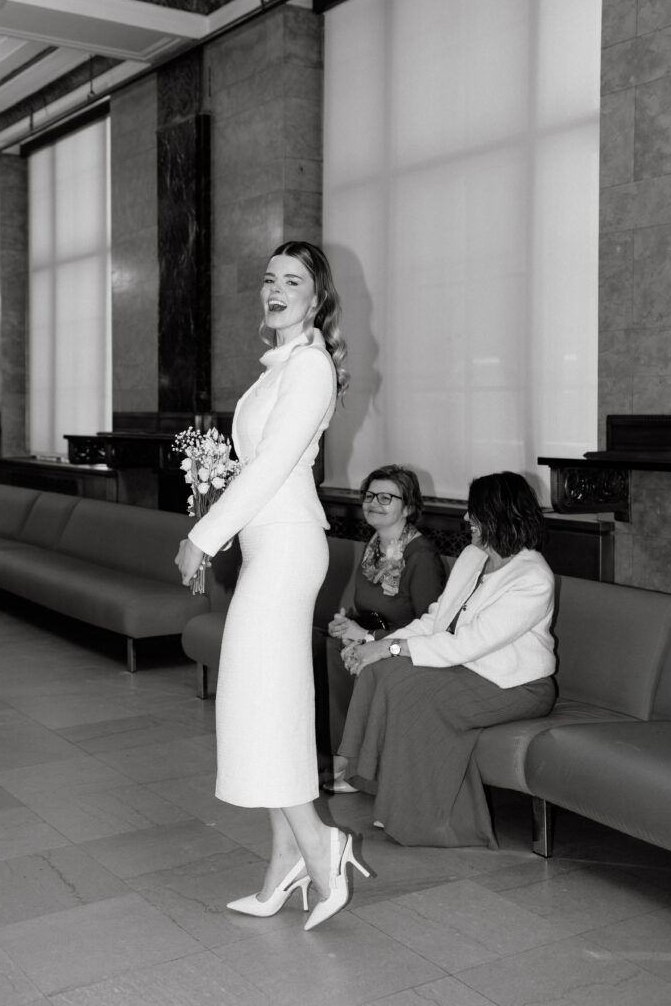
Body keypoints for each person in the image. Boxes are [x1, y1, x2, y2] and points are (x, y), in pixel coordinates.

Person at [175, 241, 369, 930]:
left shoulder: (311, 366)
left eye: (293, 280)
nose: (276, 289)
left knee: (262, 704)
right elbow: (252, 465)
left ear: (317, 298)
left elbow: (273, 467)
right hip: (267, 547)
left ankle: (320, 848)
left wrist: (202, 537)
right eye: (268, 279)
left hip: (287, 549)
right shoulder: (276, 370)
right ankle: (285, 855)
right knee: (263, 703)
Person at [338, 471, 557, 847]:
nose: (467, 520)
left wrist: (386, 647)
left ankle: (430, 820)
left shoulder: (533, 577)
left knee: (408, 687)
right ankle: (360, 773)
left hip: (516, 686)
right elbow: (436, 620)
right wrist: (379, 646)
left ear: (500, 516)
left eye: (475, 513)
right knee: (382, 672)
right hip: (469, 670)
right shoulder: (474, 557)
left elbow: (468, 644)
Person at [322, 464, 445, 792]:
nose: (374, 502)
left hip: (405, 646)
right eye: (370, 495)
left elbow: (430, 626)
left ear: (407, 507)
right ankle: (339, 757)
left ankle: (360, 769)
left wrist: (365, 637)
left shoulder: (421, 555)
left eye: (386, 497)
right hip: (371, 632)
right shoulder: (374, 545)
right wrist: (346, 623)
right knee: (330, 645)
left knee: (345, 653)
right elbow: (367, 606)